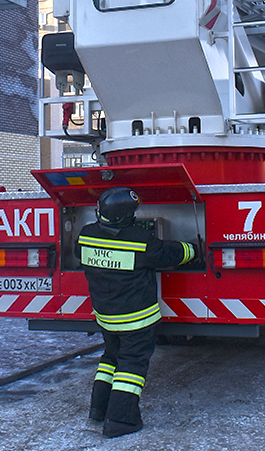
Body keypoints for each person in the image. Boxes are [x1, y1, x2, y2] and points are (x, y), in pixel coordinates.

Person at [78, 186, 198, 438]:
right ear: (126, 216)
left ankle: (98, 409)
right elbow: (169, 254)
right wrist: (193, 250)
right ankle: (121, 420)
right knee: (132, 366)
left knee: (111, 358)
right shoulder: (140, 240)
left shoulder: (86, 235)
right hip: (136, 319)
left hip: (106, 317)